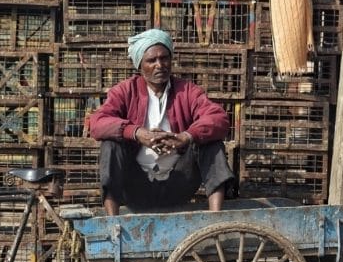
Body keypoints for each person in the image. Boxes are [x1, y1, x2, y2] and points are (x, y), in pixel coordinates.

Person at [89, 28, 236, 216]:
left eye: (164, 58)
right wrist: (137, 133)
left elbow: (218, 118)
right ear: (140, 65)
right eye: (151, 60)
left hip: (179, 182)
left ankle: (215, 220)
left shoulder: (187, 91)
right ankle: (112, 222)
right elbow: (97, 122)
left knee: (211, 142)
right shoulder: (125, 91)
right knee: (110, 145)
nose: (160, 65)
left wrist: (185, 137)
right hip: (137, 187)